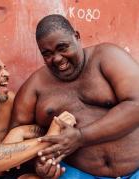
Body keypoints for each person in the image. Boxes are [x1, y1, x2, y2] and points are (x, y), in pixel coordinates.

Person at [11, 14, 139, 179]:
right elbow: (14, 144)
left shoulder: (107, 56)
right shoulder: (34, 87)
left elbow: (136, 104)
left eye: (62, 47)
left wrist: (81, 137)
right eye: (47, 54)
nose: (57, 59)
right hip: (76, 174)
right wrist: (38, 165)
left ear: (76, 37)